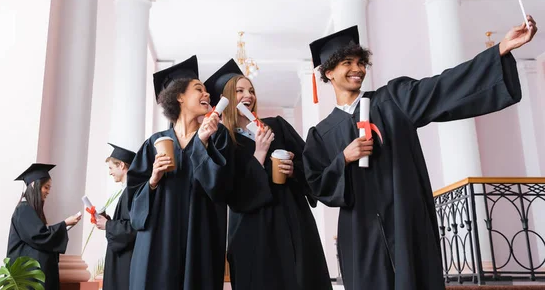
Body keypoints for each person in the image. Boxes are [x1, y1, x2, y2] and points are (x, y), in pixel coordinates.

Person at [302, 17, 538, 290]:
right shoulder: (321, 134)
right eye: (348, 63)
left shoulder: (393, 100)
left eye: (360, 62)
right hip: (360, 232)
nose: (358, 69)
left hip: (405, 219)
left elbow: (441, 87)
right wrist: (344, 158)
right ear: (329, 72)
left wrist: (500, 50)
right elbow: (316, 184)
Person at [204, 59, 332, 290]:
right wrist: (260, 153)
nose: (248, 95)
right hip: (253, 227)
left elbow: (311, 164)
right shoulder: (223, 142)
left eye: (251, 90)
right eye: (240, 90)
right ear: (225, 100)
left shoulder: (277, 126)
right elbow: (232, 194)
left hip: (292, 217)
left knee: (301, 278)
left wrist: (294, 171)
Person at [127, 55, 233, 290]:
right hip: (158, 241)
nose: (207, 94)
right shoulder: (153, 144)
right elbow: (133, 206)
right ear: (179, 96)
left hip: (200, 237)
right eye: (198, 89)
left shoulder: (218, 136)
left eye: (206, 90)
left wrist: (202, 143)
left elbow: (222, 188)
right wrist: (153, 180)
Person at [7, 163, 82, 290]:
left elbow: (40, 234)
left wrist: (64, 226)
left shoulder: (29, 209)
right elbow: (40, 236)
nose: (48, 192)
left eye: (49, 188)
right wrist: (64, 224)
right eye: (46, 187)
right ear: (34, 185)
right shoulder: (23, 209)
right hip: (26, 276)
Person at [94, 143, 137, 290]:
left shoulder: (132, 192)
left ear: (122, 166)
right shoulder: (128, 191)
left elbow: (133, 228)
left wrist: (107, 225)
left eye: (111, 168)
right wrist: (108, 221)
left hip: (128, 258)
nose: (110, 173)